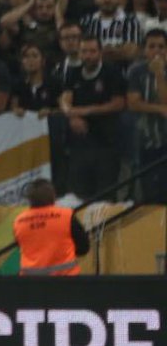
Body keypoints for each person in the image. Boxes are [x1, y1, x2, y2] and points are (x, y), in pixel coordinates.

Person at [59, 35, 127, 201]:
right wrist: (71, 115)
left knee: (105, 196)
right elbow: (65, 99)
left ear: (100, 52)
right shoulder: (73, 73)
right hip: (80, 145)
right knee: (78, 195)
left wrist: (85, 111)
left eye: (92, 51)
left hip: (107, 143)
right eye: (84, 51)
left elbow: (119, 104)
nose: (88, 55)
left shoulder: (112, 72)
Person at [12, 178, 89, 275]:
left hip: (31, 283)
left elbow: (21, 246)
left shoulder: (19, 221)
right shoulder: (66, 216)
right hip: (66, 281)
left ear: (30, 199)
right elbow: (84, 247)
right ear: (53, 196)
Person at [126, 28, 167, 201]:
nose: (156, 51)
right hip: (144, 140)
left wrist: (159, 75)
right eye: (151, 46)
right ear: (144, 50)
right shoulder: (136, 70)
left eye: (161, 46)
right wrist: (159, 109)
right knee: (147, 191)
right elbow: (133, 103)